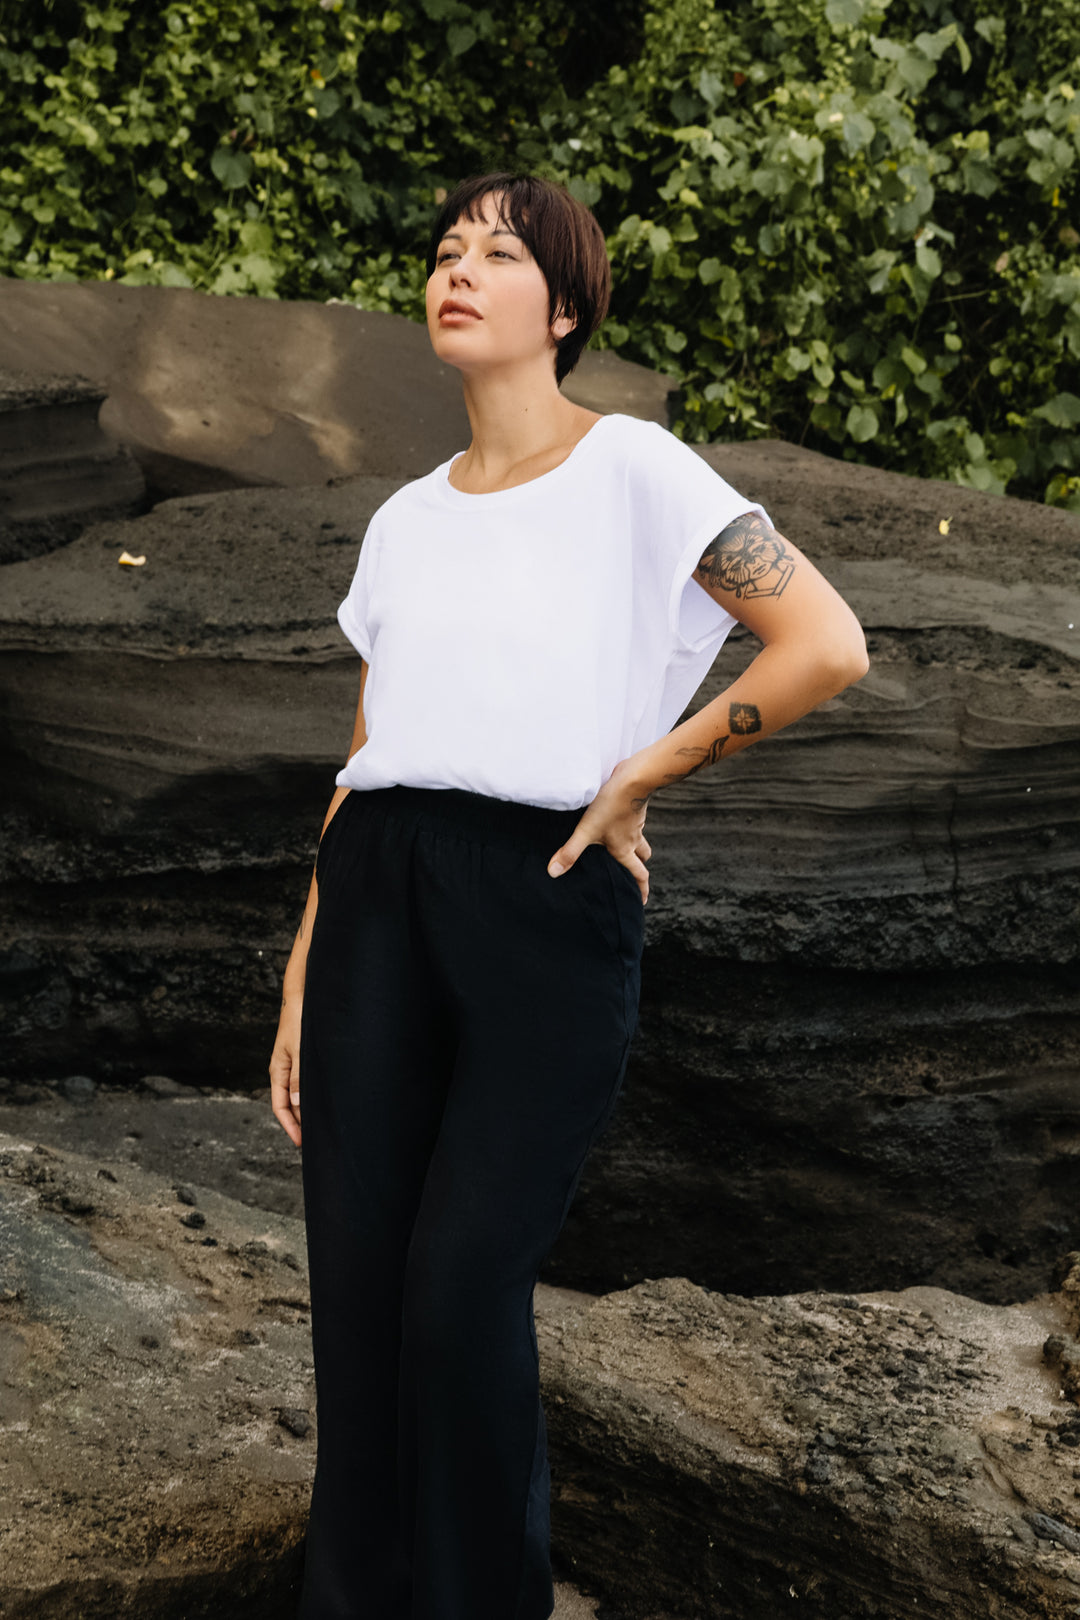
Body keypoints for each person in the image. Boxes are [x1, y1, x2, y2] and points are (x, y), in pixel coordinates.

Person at [268, 170, 868, 1620]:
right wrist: (300, 975)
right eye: (444, 250)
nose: (458, 270)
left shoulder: (641, 470)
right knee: (356, 1301)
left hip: (545, 894)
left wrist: (642, 774)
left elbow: (827, 641)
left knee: (463, 1285)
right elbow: (367, 755)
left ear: (570, 307)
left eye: (499, 253)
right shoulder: (404, 520)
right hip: (374, 895)